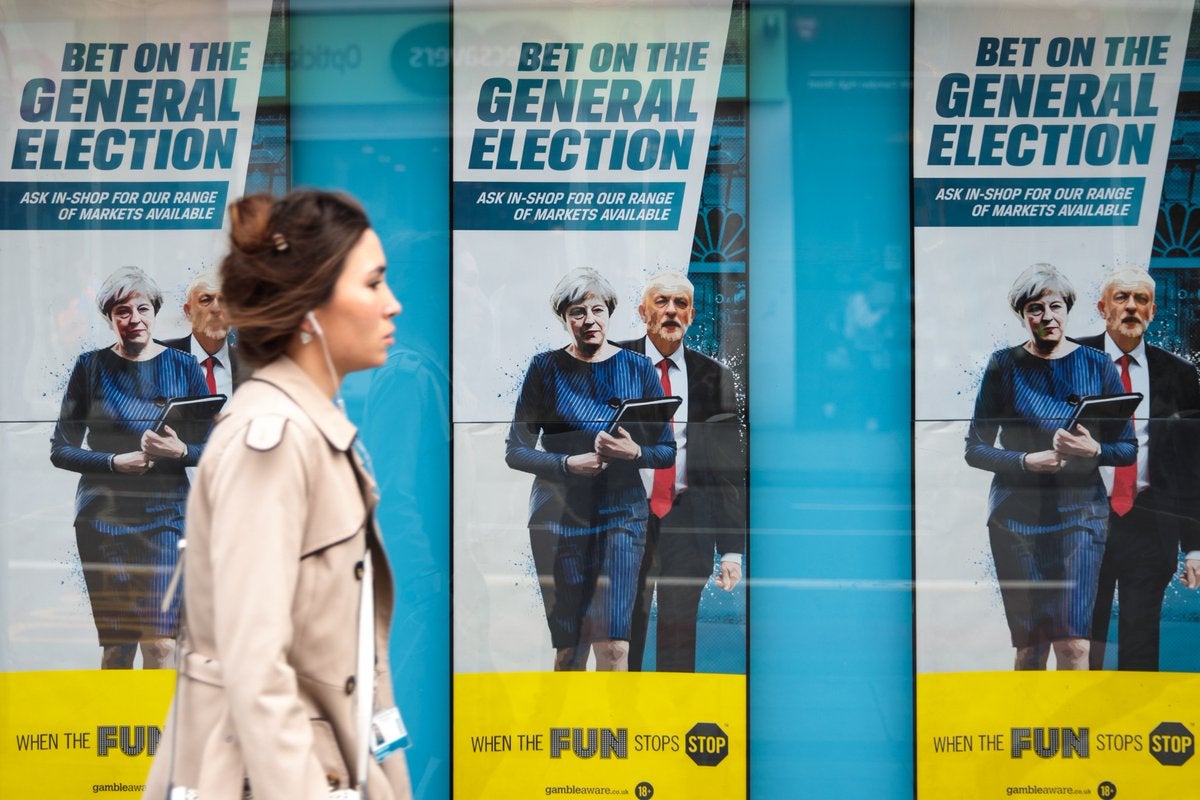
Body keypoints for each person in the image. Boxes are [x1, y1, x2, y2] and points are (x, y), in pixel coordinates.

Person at [143, 191, 412, 800]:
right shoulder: (275, 439)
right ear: (310, 309)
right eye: (372, 284)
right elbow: (256, 673)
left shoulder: (308, 425)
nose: (392, 304)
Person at [964, 263, 1135, 670]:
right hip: (1017, 517)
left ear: (1068, 308)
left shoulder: (1097, 364)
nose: (1047, 317)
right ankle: (1030, 733)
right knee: (1031, 646)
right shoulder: (1002, 366)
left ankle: (1072, 735)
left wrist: (1094, 450)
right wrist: (1025, 461)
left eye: (1055, 306)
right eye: (1035, 309)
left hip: (1080, 516)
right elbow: (974, 449)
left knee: (1074, 645)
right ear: (1023, 316)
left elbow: (1126, 449)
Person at [505, 267, 676, 671]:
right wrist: (567, 463)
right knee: (571, 647)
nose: (589, 320)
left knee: (614, 645)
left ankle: (611, 732)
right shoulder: (544, 369)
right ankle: (569, 732)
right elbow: (515, 450)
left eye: (597, 310)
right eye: (577, 312)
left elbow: (665, 451)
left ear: (610, 313)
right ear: (564, 319)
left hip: (622, 514)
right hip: (559, 515)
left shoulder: (637, 367)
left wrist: (635, 453)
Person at [50, 266, 209, 670]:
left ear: (155, 312)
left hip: (166, 516)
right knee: (117, 648)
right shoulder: (89, 367)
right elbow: (61, 449)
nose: (134, 318)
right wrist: (114, 462)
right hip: (103, 518)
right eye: (122, 310)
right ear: (109, 317)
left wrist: (180, 452)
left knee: (160, 644)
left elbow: (213, 449)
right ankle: (118, 732)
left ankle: (157, 735)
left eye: (142, 308)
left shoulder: (184, 366)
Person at [615, 270, 746, 672]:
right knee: (624, 626)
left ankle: (673, 714)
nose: (671, 310)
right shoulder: (612, 363)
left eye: (681, 303)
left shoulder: (715, 376)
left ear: (690, 315)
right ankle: (627, 711)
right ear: (642, 311)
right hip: (624, 516)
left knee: (679, 624)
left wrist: (732, 549)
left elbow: (728, 470)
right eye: (661, 301)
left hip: (688, 515)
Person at [1075, 267, 1200, 670]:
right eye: (1121, 297)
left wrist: (1195, 546)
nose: (1131, 306)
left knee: (1141, 633)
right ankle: (1085, 716)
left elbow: (1190, 465)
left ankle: (1133, 721)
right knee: (1081, 635)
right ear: (1102, 308)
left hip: (1149, 519)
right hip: (1083, 520)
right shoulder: (1070, 361)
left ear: (1153, 310)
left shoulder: (1179, 374)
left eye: (1141, 299)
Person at [161, 272, 245, 396]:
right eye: (206, 300)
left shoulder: (250, 366)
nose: (216, 309)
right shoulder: (162, 358)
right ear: (188, 311)